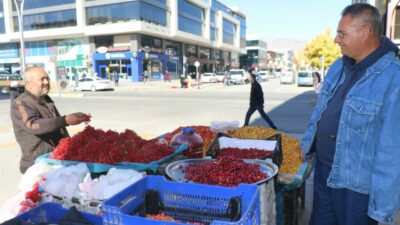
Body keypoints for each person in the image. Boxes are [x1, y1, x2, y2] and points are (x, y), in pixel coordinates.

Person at [301, 3, 400, 225]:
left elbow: (392, 151)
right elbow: (320, 110)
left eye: (341, 34)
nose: (336, 40)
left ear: (364, 32)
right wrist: (308, 144)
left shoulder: (393, 79)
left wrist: (381, 208)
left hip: (356, 188)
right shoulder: (338, 66)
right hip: (324, 172)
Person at [10, 67, 90, 174]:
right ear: (29, 84)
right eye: (41, 79)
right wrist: (65, 120)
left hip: (54, 159)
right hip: (36, 164)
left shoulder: (46, 99)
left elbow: (57, 129)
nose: (46, 82)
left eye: (47, 78)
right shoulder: (20, 103)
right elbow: (33, 125)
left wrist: (71, 145)